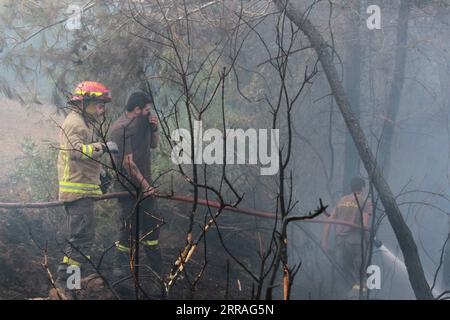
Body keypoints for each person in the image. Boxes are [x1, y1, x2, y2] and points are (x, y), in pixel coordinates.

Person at [55, 81, 118, 298]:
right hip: (77, 194)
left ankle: (69, 285)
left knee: (80, 241)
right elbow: (75, 152)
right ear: (85, 102)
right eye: (99, 104)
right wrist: (103, 147)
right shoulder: (75, 123)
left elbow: (82, 156)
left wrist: (100, 174)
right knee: (81, 242)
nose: (102, 109)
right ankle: (66, 285)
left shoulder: (83, 122)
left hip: (82, 193)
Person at [109, 91, 161, 295]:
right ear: (137, 109)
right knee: (127, 232)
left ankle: (157, 279)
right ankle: (118, 276)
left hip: (146, 189)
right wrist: (146, 186)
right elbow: (128, 163)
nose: (149, 112)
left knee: (152, 232)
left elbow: (154, 144)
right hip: (127, 190)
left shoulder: (145, 122)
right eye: (147, 109)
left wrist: (154, 128)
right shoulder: (119, 129)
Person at [322, 176, 372, 294]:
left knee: (345, 276)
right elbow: (364, 225)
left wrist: (324, 242)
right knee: (360, 279)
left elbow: (329, 221)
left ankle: (345, 295)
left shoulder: (342, 200)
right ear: (363, 188)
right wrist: (368, 240)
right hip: (355, 242)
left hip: (340, 243)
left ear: (351, 187)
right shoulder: (365, 201)